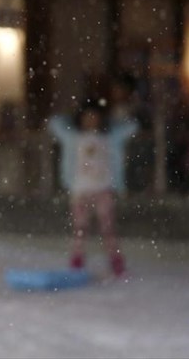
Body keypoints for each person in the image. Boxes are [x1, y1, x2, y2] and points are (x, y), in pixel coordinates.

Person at [48, 100, 138, 277]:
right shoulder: (73, 137)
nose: (91, 121)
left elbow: (132, 127)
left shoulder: (109, 138)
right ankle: (77, 260)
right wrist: (69, 115)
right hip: (80, 190)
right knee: (80, 228)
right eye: (87, 117)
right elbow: (54, 123)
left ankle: (115, 260)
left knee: (108, 227)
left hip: (103, 189)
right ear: (80, 119)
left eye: (95, 118)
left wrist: (113, 120)